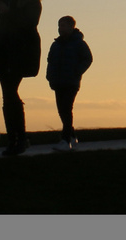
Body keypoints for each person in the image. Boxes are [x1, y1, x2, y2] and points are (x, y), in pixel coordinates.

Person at [0, 0, 46, 156]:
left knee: (11, 94)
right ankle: (15, 138)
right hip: (5, 52)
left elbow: (30, 22)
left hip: (21, 52)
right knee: (7, 96)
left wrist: (10, 12)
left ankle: (19, 138)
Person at [45, 15, 93, 152]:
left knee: (66, 110)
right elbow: (50, 61)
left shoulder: (79, 43)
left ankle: (65, 141)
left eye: (64, 25)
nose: (61, 28)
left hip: (71, 82)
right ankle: (72, 136)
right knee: (62, 111)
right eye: (59, 26)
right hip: (58, 82)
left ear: (71, 27)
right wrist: (50, 76)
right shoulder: (56, 45)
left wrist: (76, 71)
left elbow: (88, 59)